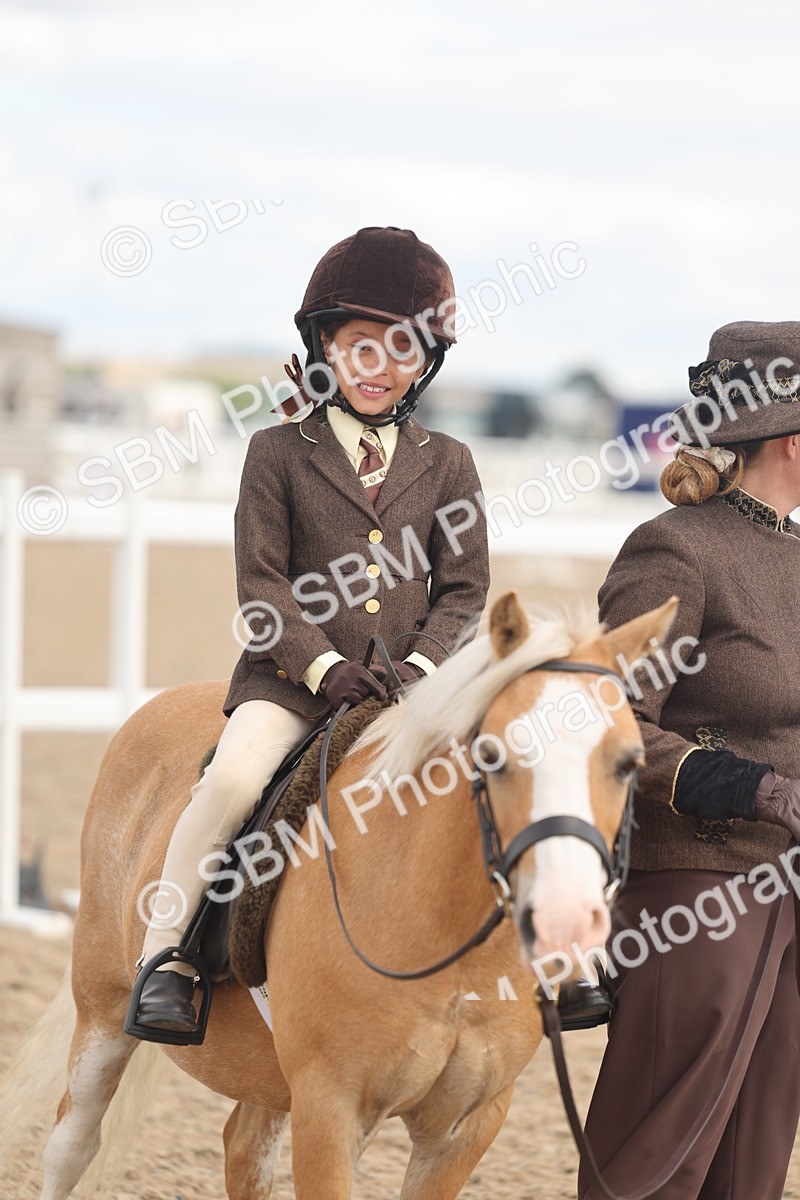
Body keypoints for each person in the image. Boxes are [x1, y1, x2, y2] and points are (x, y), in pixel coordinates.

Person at [129, 226, 491, 1037]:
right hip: (293, 685)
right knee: (231, 783)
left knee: (506, 774)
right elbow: (261, 588)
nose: (380, 366)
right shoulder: (276, 454)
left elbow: (466, 590)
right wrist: (324, 668)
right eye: (362, 345)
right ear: (326, 344)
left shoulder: (450, 462)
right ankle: (167, 958)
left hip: (412, 687)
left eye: (403, 349)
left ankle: (559, 965)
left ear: (425, 363)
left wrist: (424, 668)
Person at [577, 321, 800, 1200]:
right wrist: (756, 787)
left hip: (788, 888)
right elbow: (613, 721)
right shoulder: (677, 547)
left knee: (752, 1163)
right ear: (791, 440)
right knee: (656, 1159)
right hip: (697, 889)